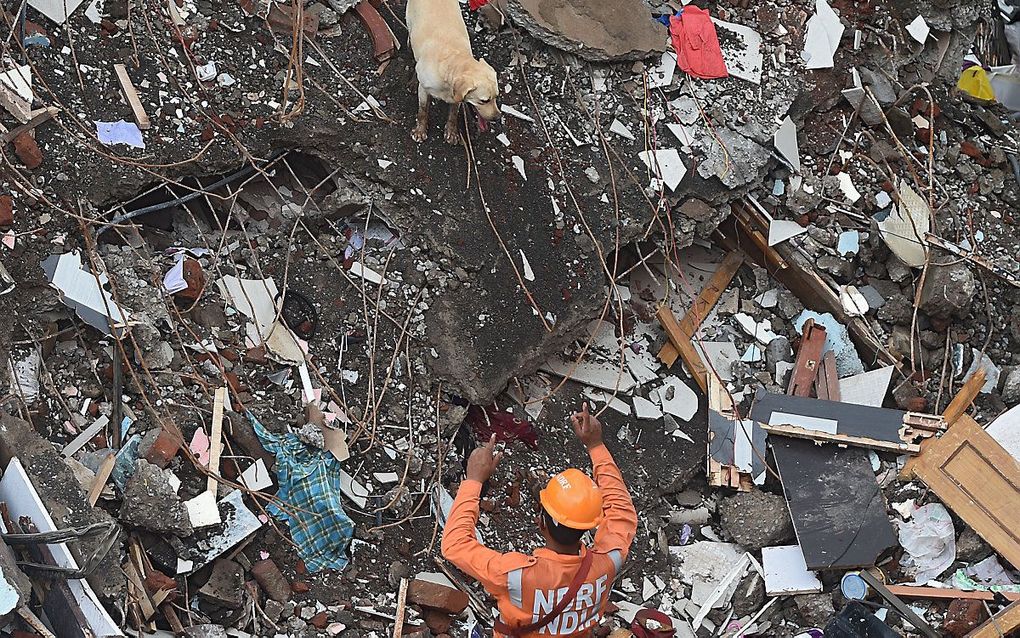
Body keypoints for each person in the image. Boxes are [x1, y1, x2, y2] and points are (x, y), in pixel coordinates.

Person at [441, 403, 637, 637]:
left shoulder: (514, 575)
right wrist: (596, 446)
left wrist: (473, 480)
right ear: (589, 524)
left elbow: (454, 545)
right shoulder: (609, 562)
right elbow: (621, 510)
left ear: (541, 521)